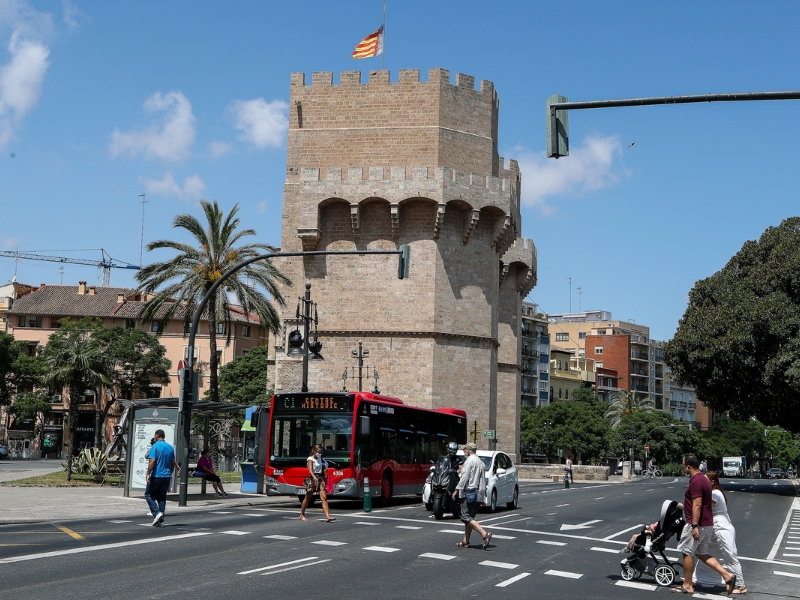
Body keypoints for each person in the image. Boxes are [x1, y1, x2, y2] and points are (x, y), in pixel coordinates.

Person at [673, 455, 736, 595]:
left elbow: (697, 504)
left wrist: (694, 525)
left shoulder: (696, 481)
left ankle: (688, 585)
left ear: (689, 466)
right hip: (708, 523)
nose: (683, 468)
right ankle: (727, 576)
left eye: (683, 466)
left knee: (687, 552)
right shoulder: (705, 480)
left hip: (697, 524)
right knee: (701, 553)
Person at [694, 472, 747, 594]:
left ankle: (741, 585)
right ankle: (695, 579)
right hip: (716, 528)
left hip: (721, 528)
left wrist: (687, 508)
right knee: (706, 553)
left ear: (712, 482)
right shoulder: (714, 493)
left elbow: (703, 508)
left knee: (729, 555)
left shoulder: (715, 494)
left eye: (705, 481)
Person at [452, 443, 492, 550]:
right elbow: (483, 480)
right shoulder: (481, 462)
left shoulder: (469, 461)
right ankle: (466, 541)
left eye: (465, 450)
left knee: (465, 516)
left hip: (470, 493)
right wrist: (483, 497)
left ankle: (484, 534)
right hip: (479, 493)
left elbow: (464, 478)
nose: (464, 452)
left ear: (468, 450)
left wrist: (457, 489)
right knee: (470, 518)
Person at [145, 429, 179, 528]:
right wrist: (170, 472)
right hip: (166, 476)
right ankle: (161, 521)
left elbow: (152, 460)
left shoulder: (155, 446)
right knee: (162, 497)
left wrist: (148, 473)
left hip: (156, 475)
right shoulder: (170, 447)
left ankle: (156, 513)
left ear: (156, 436)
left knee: (148, 494)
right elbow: (173, 463)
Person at [300, 444, 335, 522]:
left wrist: (324, 471)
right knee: (308, 498)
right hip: (313, 479)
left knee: (324, 498)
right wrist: (314, 477)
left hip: (320, 478)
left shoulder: (320, 458)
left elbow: (323, 466)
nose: (320, 453)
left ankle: (328, 516)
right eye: (319, 452)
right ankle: (302, 514)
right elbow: (310, 469)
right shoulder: (310, 459)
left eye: (321, 452)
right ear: (314, 451)